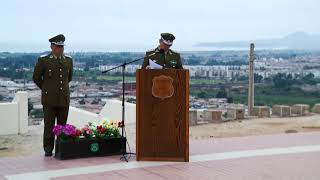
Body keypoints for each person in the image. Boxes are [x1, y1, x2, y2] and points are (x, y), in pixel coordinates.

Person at [32, 34, 73, 156]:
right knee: (49, 125)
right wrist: (46, 89)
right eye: (58, 46)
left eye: (62, 47)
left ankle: (61, 148)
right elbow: (36, 78)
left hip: (64, 99)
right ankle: (48, 149)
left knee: (62, 126)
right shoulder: (44, 60)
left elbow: (69, 78)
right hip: (49, 99)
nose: (60, 49)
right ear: (52, 47)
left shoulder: (68, 60)